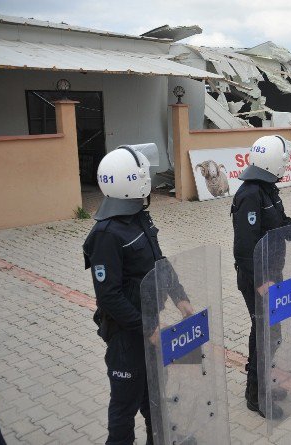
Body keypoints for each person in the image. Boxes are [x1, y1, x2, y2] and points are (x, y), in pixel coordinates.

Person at [83, 144, 193, 445]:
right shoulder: (106, 234)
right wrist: (149, 328)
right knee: (124, 406)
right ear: (129, 181)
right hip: (126, 336)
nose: (148, 179)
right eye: (143, 175)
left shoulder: (138, 217)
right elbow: (109, 297)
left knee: (154, 396)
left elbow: (159, 263)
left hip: (150, 327)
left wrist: (180, 296)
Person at [231, 135, 291, 416]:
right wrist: (261, 283)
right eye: (283, 160)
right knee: (264, 333)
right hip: (258, 280)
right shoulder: (249, 195)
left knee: (272, 332)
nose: (286, 164)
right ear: (271, 162)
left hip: (271, 275)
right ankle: (256, 395)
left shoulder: (268, 190)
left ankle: (263, 382)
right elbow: (244, 248)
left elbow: (280, 226)